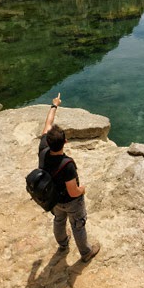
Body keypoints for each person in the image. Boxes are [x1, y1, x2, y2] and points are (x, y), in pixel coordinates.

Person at [39, 93, 100, 262]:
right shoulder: (67, 165)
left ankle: (63, 244)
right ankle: (86, 252)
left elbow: (48, 124)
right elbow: (73, 192)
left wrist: (54, 105)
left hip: (53, 198)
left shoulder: (43, 149)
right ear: (65, 142)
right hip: (70, 201)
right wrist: (83, 189)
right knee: (77, 225)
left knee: (59, 220)